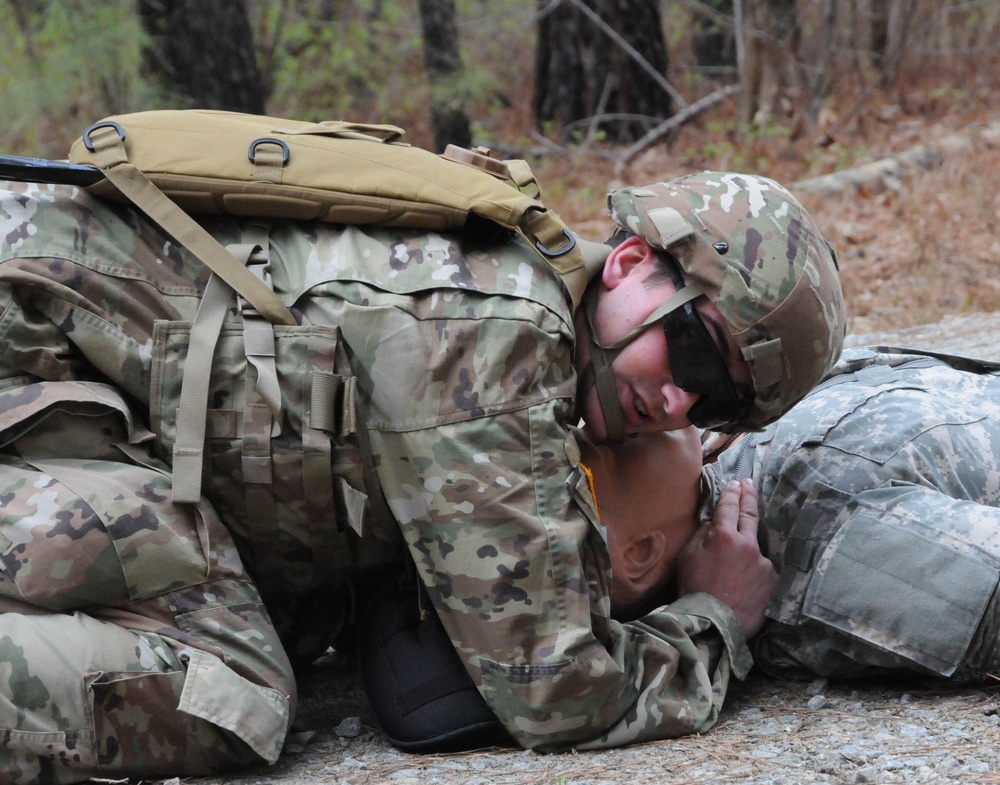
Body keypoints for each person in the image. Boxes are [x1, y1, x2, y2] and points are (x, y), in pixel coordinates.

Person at [0, 168, 844, 782]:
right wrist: (716, 621)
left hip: (86, 391)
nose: (677, 396)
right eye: (693, 346)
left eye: (720, 399)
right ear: (629, 262)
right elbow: (557, 689)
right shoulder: (501, 339)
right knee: (234, 692)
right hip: (34, 367)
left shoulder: (521, 273)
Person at [587, 346, 1000, 686]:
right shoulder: (817, 534)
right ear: (638, 554)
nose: (590, 430)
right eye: (581, 473)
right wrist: (712, 614)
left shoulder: (726, 432)